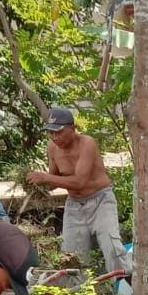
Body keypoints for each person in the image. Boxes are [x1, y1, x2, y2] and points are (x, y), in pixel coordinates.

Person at [25, 106, 130, 277]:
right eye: (50, 133)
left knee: (112, 246)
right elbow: (53, 180)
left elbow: (80, 182)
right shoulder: (52, 147)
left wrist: (45, 178)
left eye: (58, 132)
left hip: (101, 201)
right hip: (74, 205)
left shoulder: (87, 143)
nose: (54, 137)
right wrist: (33, 183)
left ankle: (130, 291)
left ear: (73, 129)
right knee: (72, 256)